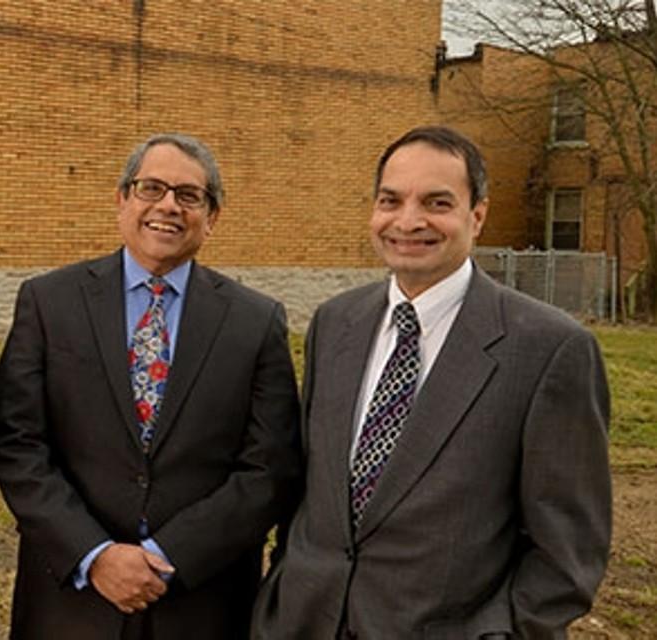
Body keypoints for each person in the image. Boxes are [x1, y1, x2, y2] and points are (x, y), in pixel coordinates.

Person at [252, 125, 611, 639]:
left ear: (477, 215)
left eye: (437, 202)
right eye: (390, 200)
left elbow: (568, 553)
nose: (408, 221)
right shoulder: (334, 324)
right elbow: (312, 491)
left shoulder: (550, 350)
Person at [0, 133, 300, 639]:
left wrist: (167, 557)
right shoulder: (49, 303)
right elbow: (17, 445)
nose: (168, 206)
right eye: (151, 188)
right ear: (122, 200)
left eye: (188, 195)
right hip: (71, 602)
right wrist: (96, 555)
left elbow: (270, 468)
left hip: (202, 604)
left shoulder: (256, 322)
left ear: (212, 217)